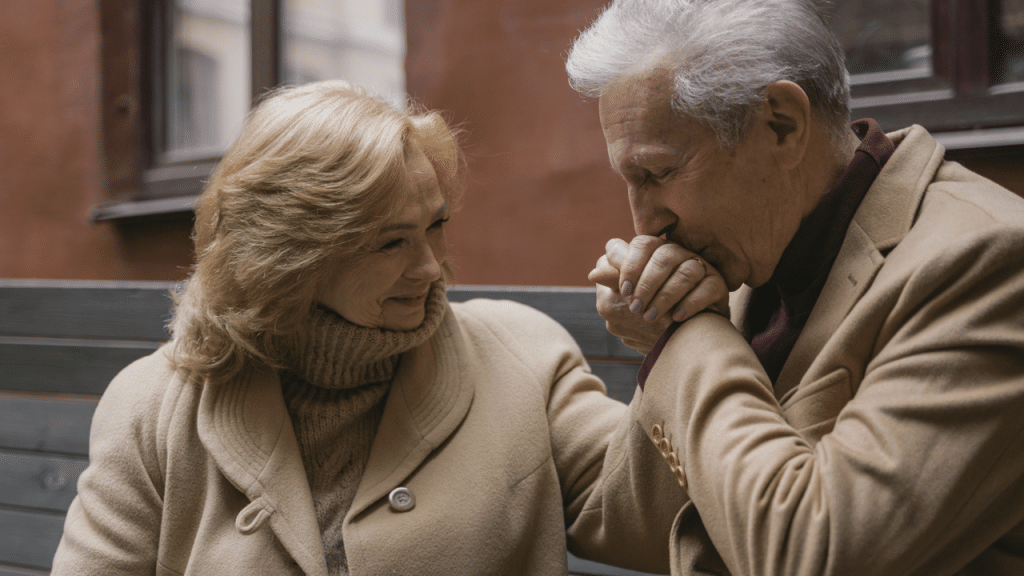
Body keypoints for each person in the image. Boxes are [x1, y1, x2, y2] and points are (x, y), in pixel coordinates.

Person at [50, 80, 689, 575]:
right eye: (389, 243)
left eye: (434, 225)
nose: (430, 266)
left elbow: (661, 523)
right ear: (291, 258)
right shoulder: (153, 405)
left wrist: (675, 345)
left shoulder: (521, 353)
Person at [566, 0, 1024, 575]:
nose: (644, 225)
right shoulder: (747, 257)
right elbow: (637, 534)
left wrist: (685, 341)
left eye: (657, 174)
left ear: (782, 124)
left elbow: (819, 554)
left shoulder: (988, 262)